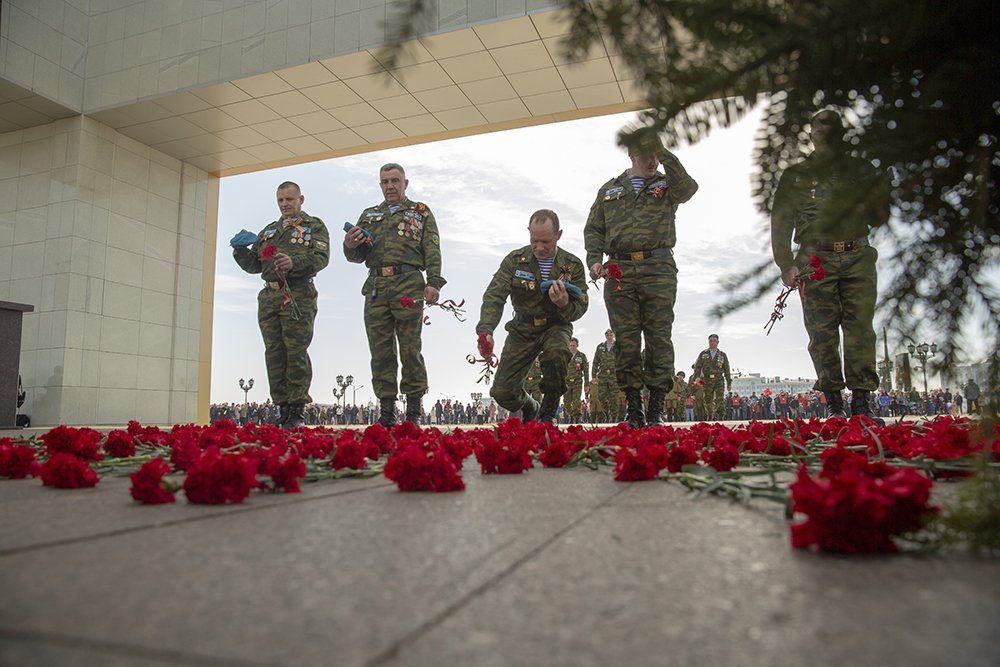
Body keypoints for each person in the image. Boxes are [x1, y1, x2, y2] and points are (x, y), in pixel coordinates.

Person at [770, 109, 888, 424]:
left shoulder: (862, 169)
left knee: (860, 329)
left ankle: (862, 403)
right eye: (819, 126)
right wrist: (785, 262)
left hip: (857, 256)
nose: (825, 132)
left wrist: (882, 189)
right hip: (814, 260)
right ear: (811, 133)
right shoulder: (795, 175)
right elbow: (780, 221)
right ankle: (834, 403)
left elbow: (879, 217)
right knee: (821, 333)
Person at [585, 132, 698, 427]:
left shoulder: (666, 183)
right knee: (626, 339)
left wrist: (666, 155)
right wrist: (595, 260)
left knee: (659, 336)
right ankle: (634, 407)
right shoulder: (609, 190)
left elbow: (687, 189)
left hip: (658, 268)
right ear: (631, 155)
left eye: (656, 154)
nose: (652, 161)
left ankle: (657, 406)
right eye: (647, 154)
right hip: (619, 270)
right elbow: (594, 229)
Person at [344, 163, 446, 427]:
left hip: (409, 283)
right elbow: (356, 257)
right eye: (385, 182)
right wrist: (350, 245)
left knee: (411, 347)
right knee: (380, 350)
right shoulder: (368, 215)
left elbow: (432, 249)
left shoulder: (420, 212)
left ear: (405, 183)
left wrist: (433, 282)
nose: (390, 186)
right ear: (380, 185)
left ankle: (413, 410)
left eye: (395, 181)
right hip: (377, 286)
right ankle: (387, 410)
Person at [232, 181, 330, 428]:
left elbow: (321, 258)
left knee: (295, 350)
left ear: (301, 199)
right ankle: (282, 408)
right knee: (274, 352)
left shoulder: (313, 226)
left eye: (289, 199)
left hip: (298, 294)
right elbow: (255, 266)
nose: (285, 204)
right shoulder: (268, 232)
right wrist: (240, 252)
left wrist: (293, 262)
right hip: (269, 297)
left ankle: (297, 411)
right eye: (281, 200)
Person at [476, 209, 589, 423]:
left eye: (545, 241)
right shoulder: (515, 261)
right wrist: (486, 330)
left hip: (556, 325)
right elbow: (494, 295)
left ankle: (547, 413)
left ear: (559, 234)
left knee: (557, 353)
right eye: (534, 240)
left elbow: (581, 305)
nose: (539, 247)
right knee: (501, 392)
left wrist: (564, 304)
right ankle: (531, 406)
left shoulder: (572, 265)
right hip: (523, 328)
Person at [691, 334, 733, 421]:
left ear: (718, 342)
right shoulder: (703, 354)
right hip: (707, 379)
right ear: (708, 342)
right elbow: (697, 366)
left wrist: (729, 383)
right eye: (711, 340)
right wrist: (697, 377)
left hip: (719, 379)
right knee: (707, 399)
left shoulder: (722, 355)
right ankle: (710, 415)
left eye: (714, 340)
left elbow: (727, 369)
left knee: (720, 398)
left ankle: (720, 415)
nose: (712, 342)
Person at [592, 329, 620, 423]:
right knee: (601, 396)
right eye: (607, 335)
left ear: (614, 336)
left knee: (614, 397)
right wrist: (593, 376)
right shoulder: (600, 347)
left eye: (611, 334)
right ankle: (606, 413)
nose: (609, 336)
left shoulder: (618, 346)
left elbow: (622, 360)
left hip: (614, 374)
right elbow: (595, 361)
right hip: (603, 374)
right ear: (605, 336)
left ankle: (614, 416)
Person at [563, 337, 590, 423]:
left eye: (574, 345)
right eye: (570, 345)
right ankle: (571, 415)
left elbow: (586, 371)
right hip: (566, 381)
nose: (572, 347)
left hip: (577, 381)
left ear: (577, 345)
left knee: (576, 400)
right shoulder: (565, 355)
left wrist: (586, 384)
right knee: (566, 402)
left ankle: (578, 417)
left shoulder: (581, 356)